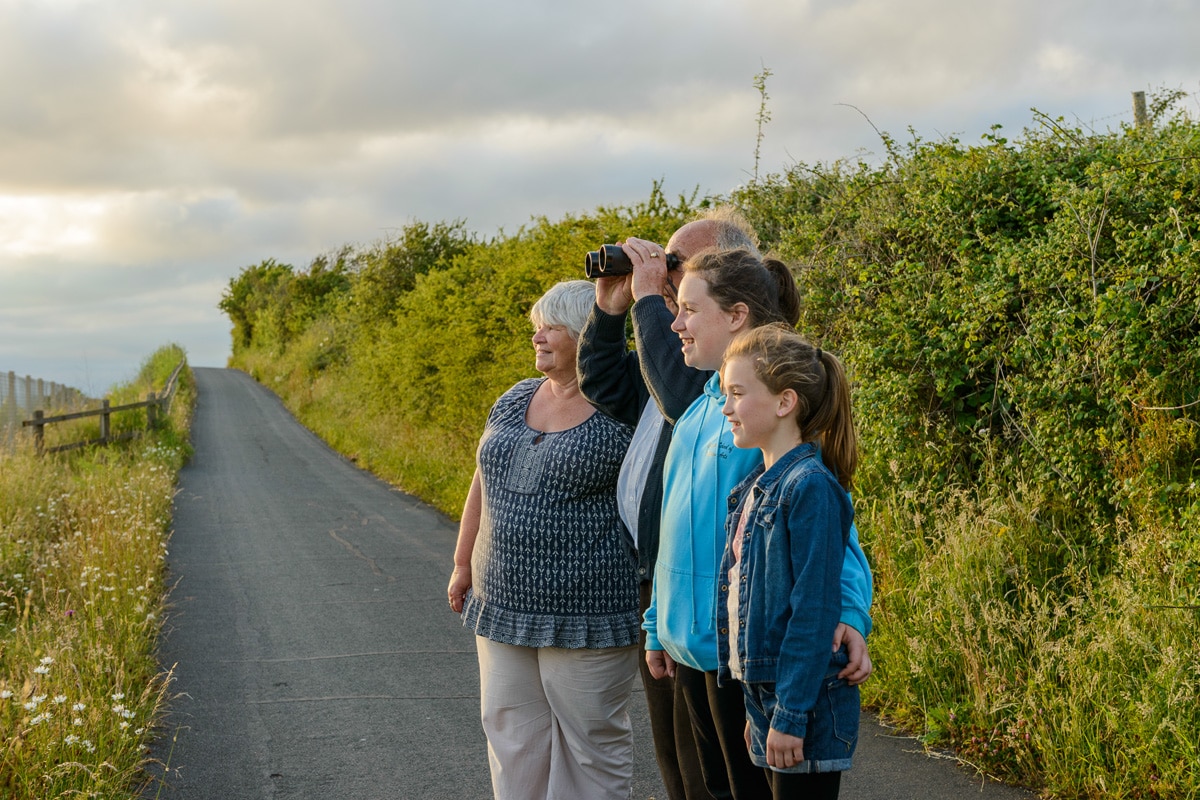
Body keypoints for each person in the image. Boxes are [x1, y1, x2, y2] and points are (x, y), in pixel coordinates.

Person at [584, 222, 873, 799]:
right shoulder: (697, 411)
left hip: (742, 650)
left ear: (737, 315)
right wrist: (656, 625)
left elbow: (829, 531)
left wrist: (851, 611)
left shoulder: (759, 415)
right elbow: (675, 532)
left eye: (688, 306)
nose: (674, 320)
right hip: (687, 640)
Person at [577, 207, 761, 800]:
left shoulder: (734, 379)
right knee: (677, 763)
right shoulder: (681, 357)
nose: (666, 273)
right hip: (662, 589)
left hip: (716, 603)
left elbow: (681, 396)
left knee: (719, 771)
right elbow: (603, 384)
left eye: (678, 264)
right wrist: (612, 307)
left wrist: (650, 303)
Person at [447, 279, 641, 800]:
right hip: (501, 601)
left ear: (590, 333)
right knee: (512, 737)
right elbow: (483, 478)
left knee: (590, 744)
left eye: (552, 326)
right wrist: (463, 561)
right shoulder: (514, 398)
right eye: (537, 325)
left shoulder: (625, 409)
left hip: (589, 611)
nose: (538, 336)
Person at [717, 325, 861, 799]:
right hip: (769, 699)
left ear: (785, 402)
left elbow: (815, 612)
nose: (726, 407)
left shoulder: (809, 488)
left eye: (738, 393)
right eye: (725, 394)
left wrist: (790, 714)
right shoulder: (755, 488)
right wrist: (758, 711)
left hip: (804, 702)